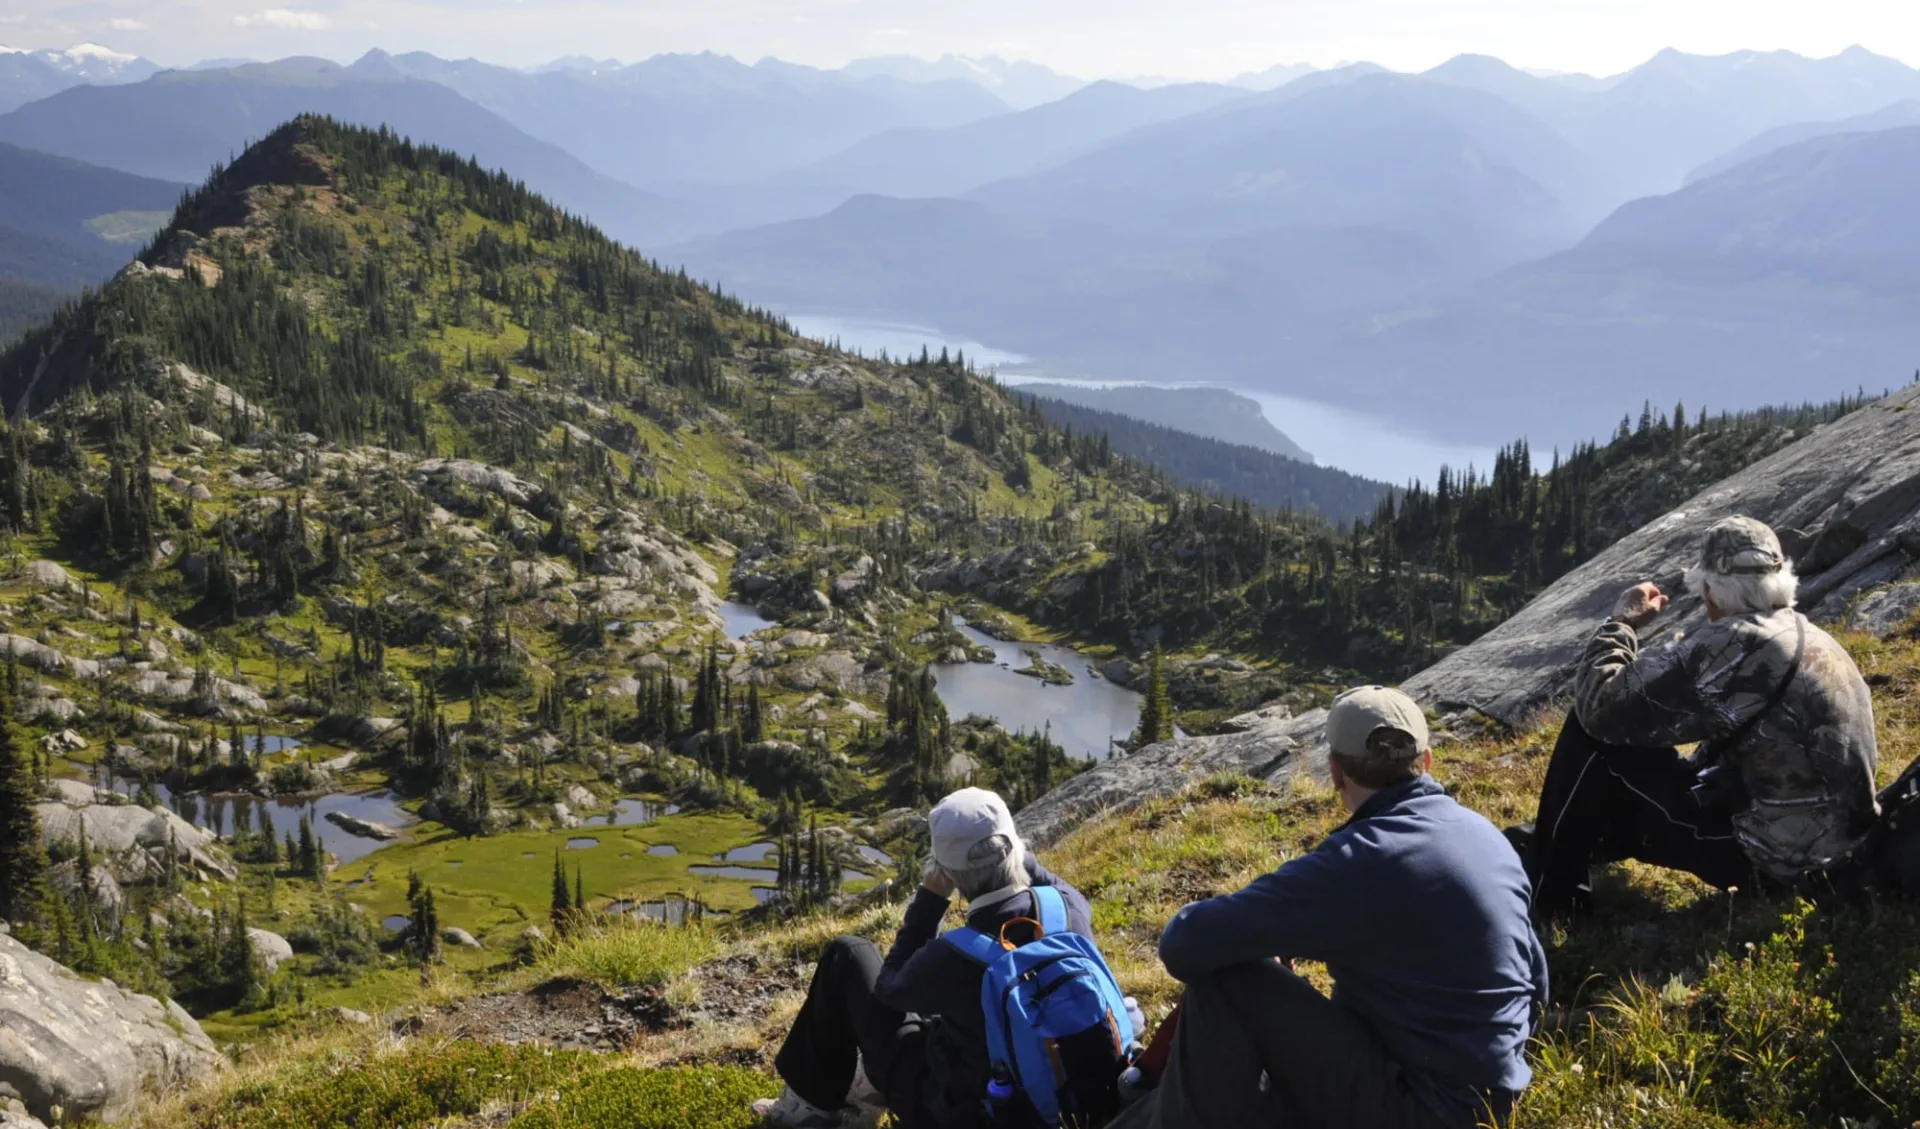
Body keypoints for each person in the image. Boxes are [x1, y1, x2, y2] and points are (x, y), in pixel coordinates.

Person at [1113, 686, 1547, 1129]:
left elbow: (1184, 943)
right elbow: (1536, 979)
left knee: (1231, 983)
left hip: (1419, 1109)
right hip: (1491, 1101)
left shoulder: (1359, 858)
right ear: (1427, 761)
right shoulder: (1487, 837)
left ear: (1336, 772)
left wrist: (1266, 941)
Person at [1519, 515, 1881, 919]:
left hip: (1776, 863)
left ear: (1709, 590)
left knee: (1593, 738)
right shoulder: (1808, 634)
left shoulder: (1738, 643)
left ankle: (1554, 897)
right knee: (1637, 775)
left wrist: (1620, 623)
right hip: (1839, 848)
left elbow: (1599, 707)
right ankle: (1550, 846)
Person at [752, 787, 1095, 1129]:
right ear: (1014, 847)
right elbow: (1039, 875)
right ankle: (857, 1088)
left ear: (946, 872)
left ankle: (808, 1111)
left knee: (849, 955)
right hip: (1066, 1096)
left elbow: (889, 988)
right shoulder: (1068, 908)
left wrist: (931, 900)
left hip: (961, 1112)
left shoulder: (954, 956)